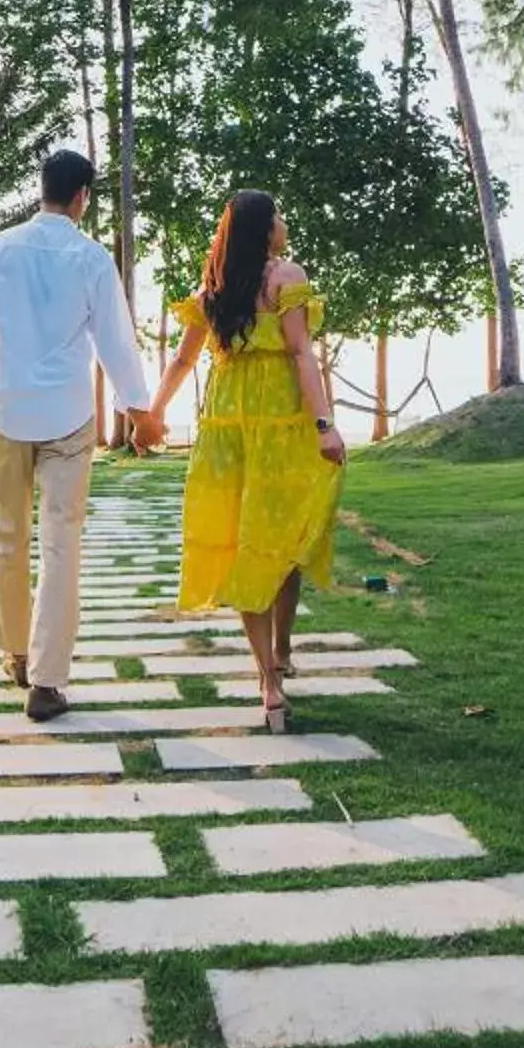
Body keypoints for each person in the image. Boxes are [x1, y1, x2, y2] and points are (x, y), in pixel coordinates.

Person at [0, 150, 164, 721]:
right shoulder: (93, 258)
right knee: (61, 544)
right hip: (68, 419)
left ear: (42, 191)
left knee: (9, 535)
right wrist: (139, 411)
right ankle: (47, 683)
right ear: (83, 197)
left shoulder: (1, 249)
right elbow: (115, 343)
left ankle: (17, 652)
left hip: (6, 413)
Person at [146, 188, 346, 729]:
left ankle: (272, 670)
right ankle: (275, 667)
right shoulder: (286, 278)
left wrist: (153, 413)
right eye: (278, 215)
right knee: (280, 539)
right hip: (279, 427)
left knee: (252, 543)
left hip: (228, 430)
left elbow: (182, 362)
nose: (283, 222)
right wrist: (325, 425)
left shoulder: (212, 290)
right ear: (264, 229)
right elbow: (302, 354)